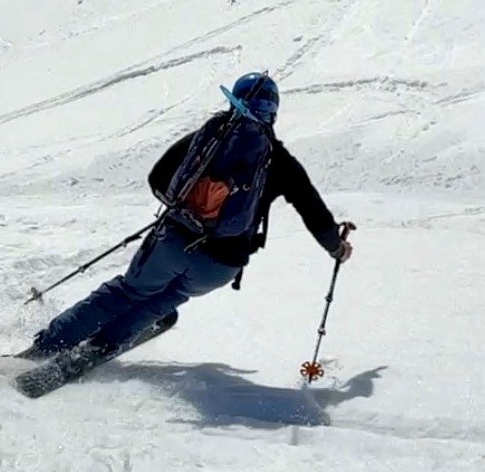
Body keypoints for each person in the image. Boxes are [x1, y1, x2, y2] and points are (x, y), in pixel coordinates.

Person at [18, 72, 353, 362]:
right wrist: (336, 247)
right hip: (222, 266)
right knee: (165, 300)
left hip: (173, 243)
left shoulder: (208, 139)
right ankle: (102, 347)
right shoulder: (281, 162)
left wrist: (192, 202)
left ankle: (47, 347)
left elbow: (157, 178)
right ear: (274, 113)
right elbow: (314, 212)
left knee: (125, 293)